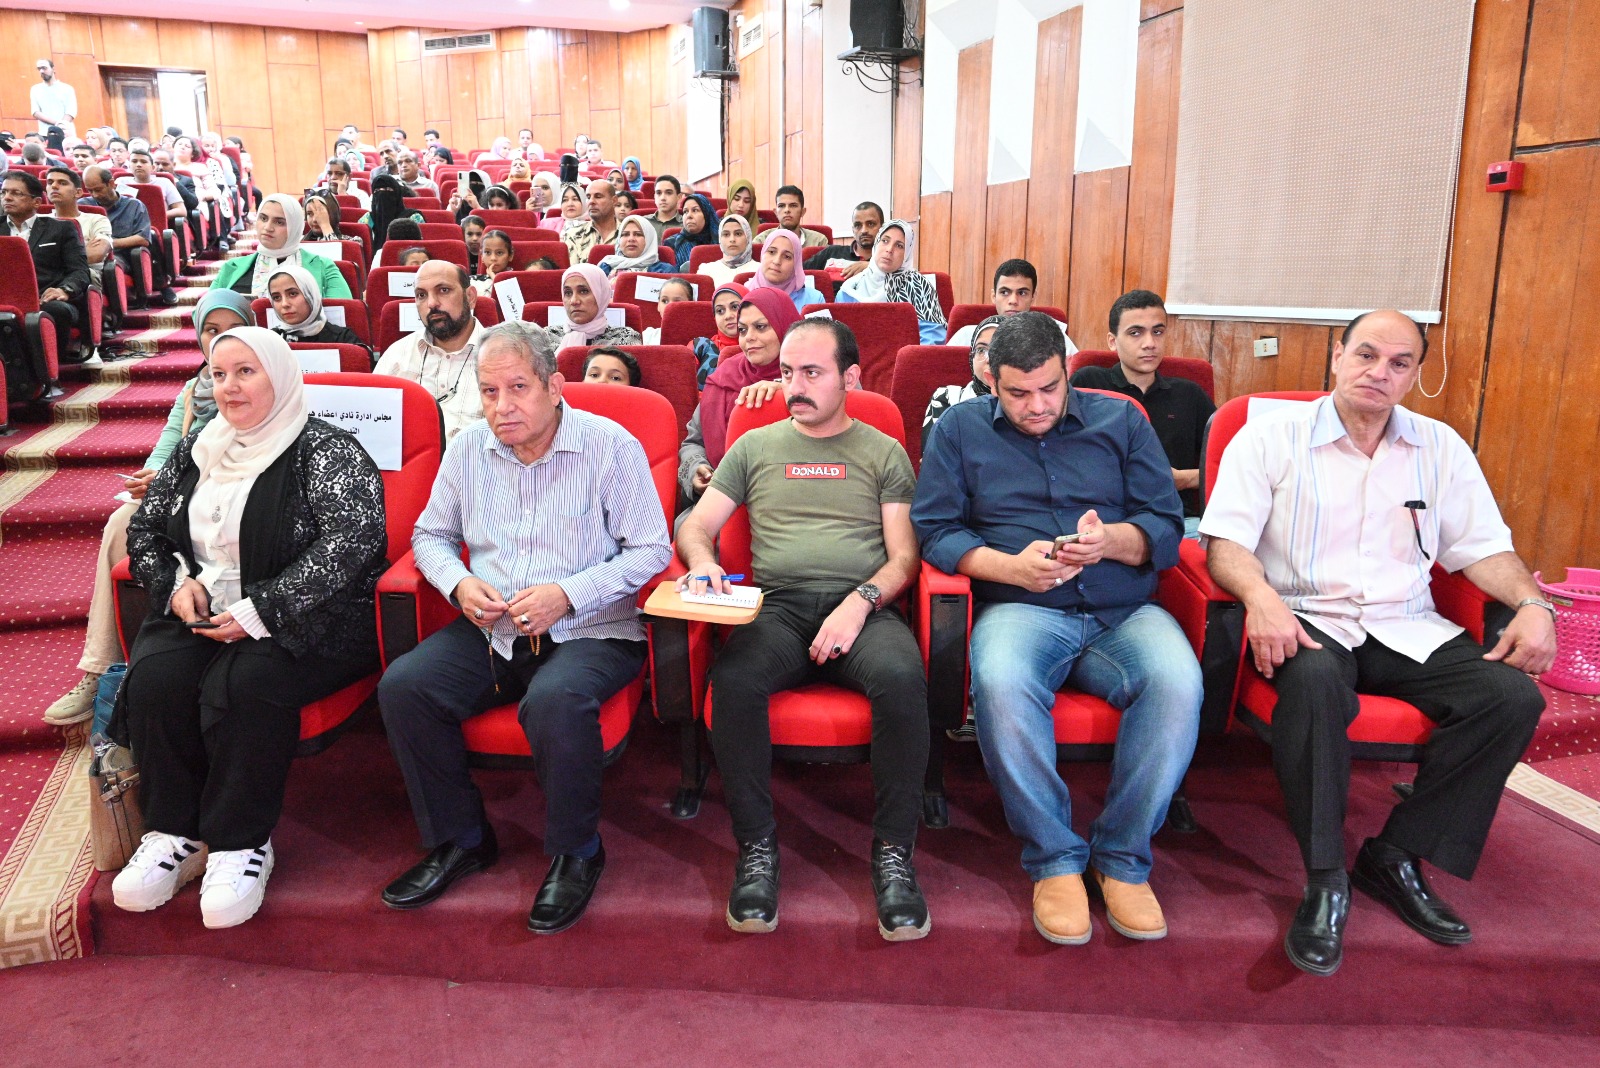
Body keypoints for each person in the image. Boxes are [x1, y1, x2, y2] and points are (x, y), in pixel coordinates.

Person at [1200, 309, 1552, 978]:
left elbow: (1483, 548)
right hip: (1305, 615)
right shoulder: (1270, 438)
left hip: (1404, 623)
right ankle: (1326, 877)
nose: (1378, 372)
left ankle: (1394, 855)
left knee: (1510, 698)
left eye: (1398, 363)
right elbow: (1226, 545)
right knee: (1314, 684)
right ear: (1337, 356)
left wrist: (1534, 604)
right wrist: (1261, 599)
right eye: (1365, 355)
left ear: (1414, 375)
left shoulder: (1439, 447)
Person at [911, 311, 1200, 948]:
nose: (1037, 406)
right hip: (1021, 606)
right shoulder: (960, 428)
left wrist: (1112, 541)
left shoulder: (1121, 420)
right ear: (991, 381)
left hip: (1122, 608)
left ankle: (1122, 857)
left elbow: (1165, 525)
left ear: (1067, 373)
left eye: (1049, 388)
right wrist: (1008, 567)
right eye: (1018, 394)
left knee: (1178, 681)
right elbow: (934, 530)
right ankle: (1055, 858)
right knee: (1001, 681)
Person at [378, 321, 671, 933]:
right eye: (489, 392)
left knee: (555, 700)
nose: (501, 407)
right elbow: (430, 536)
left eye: (517, 388)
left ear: (555, 387)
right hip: (496, 628)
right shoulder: (468, 449)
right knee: (406, 687)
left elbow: (651, 550)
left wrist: (568, 594)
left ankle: (578, 851)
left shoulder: (610, 447)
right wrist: (460, 584)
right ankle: (462, 839)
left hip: (595, 627)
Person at [109, 327, 385, 929]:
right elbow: (146, 528)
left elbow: (353, 545)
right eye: (219, 375)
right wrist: (174, 584)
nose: (229, 387)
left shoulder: (327, 450)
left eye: (245, 372)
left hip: (312, 615)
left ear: (279, 377)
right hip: (206, 607)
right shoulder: (198, 447)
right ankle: (173, 832)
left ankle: (240, 843)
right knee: (156, 676)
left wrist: (262, 609)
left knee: (245, 681)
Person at [677, 317, 931, 941]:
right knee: (734, 684)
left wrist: (860, 601)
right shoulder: (755, 447)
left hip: (862, 608)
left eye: (812, 373)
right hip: (779, 607)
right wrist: (704, 562)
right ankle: (757, 848)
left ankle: (894, 854)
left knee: (903, 680)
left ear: (850, 378)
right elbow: (696, 525)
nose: (795, 386)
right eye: (788, 372)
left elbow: (904, 558)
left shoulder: (883, 451)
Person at [43, 292, 251, 725]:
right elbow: (165, 450)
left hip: (237, 501)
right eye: (212, 331)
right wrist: (152, 477)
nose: (221, 339)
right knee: (123, 520)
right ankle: (104, 666)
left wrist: (176, 480)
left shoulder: (265, 382)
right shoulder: (193, 390)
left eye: (233, 329)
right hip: (185, 497)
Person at [1070, 291, 1214, 538]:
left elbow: (1231, 465)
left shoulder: (1189, 394)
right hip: (1103, 518)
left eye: (1157, 332)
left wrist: (1184, 479)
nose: (1150, 343)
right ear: (1112, 341)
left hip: (1178, 522)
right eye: (1135, 333)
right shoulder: (1089, 383)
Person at [677, 287, 799, 509]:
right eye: (743, 330)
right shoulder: (724, 377)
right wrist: (697, 469)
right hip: (725, 499)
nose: (749, 337)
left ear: (786, 328)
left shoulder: (821, 371)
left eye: (761, 327)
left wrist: (788, 387)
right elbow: (694, 442)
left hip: (797, 499)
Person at [374, 261, 490, 441]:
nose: (431, 303)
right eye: (421, 295)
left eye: (443, 290)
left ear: (470, 297)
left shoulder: (502, 357)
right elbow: (373, 425)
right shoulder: (398, 354)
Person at [1, 171, 89, 377]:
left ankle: (47, 375)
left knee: (57, 310)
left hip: (45, 297)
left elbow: (79, 270)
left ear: (36, 202)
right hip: (5, 298)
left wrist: (64, 290)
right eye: (4, 192)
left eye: (16, 193)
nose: (7, 197)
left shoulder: (61, 229)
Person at [210, 195, 350, 299]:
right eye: (263, 218)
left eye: (279, 222)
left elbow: (341, 312)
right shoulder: (231, 268)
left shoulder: (323, 266)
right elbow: (207, 311)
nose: (268, 227)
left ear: (295, 227)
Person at [835, 219, 948, 344]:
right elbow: (839, 340)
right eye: (885, 241)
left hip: (904, 355)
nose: (889, 249)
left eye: (899, 245)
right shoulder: (851, 289)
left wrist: (909, 356)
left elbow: (933, 337)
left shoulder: (918, 285)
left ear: (907, 254)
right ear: (876, 244)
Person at [83, 165, 180, 306]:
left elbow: (143, 239)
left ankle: (162, 284)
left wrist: (108, 243)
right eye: (90, 190)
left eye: (98, 190)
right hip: (89, 252)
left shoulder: (133, 205)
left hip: (122, 254)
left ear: (111, 183)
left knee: (151, 236)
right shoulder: (84, 206)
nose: (94, 195)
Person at [948, 259, 1074, 353]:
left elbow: (1075, 373)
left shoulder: (1053, 337)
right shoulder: (966, 336)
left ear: (1033, 297)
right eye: (1004, 292)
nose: (1013, 301)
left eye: (1022, 293)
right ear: (994, 296)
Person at [921, 314, 999, 454]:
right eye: (981, 350)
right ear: (972, 357)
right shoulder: (947, 398)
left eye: (998, 350)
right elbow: (933, 461)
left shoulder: (1029, 402)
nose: (989, 359)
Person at [266, 263, 368, 358]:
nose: (284, 304)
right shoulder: (268, 341)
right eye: (276, 297)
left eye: (293, 294)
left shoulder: (343, 339)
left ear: (311, 295)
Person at [44, 166, 112, 301]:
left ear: (78, 192)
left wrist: (46, 257)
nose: (54, 186)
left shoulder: (97, 220)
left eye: (62, 183)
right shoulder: (39, 220)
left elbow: (96, 254)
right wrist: (79, 251)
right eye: (50, 182)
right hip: (46, 276)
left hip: (84, 277)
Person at [548, 264, 642, 350]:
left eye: (583, 291)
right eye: (568, 293)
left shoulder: (625, 339)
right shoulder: (547, 337)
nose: (574, 301)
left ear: (601, 295)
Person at [745, 228, 825, 312]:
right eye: (772, 252)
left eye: (787, 256)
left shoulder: (813, 300)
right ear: (762, 254)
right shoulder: (742, 295)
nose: (777, 261)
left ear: (796, 264)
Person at [805, 201, 885, 280]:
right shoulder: (831, 253)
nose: (864, 230)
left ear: (883, 227)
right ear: (853, 229)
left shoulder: (888, 260)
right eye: (858, 225)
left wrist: (873, 266)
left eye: (870, 224)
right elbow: (799, 273)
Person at [690, 281, 747, 388]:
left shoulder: (762, 347)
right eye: (720, 311)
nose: (728, 316)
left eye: (735, 307)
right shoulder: (700, 347)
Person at [562, 179, 622, 266]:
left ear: (614, 200)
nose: (591, 201)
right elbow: (572, 272)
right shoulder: (573, 234)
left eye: (598, 196)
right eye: (588, 197)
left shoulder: (629, 234)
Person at [598, 215, 673, 276]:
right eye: (625, 234)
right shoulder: (606, 266)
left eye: (638, 234)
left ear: (649, 240)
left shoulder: (664, 271)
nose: (631, 239)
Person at [665, 193, 718, 271]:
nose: (689, 215)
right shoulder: (671, 244)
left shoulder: (720, 241)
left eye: (695, 210)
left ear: (706, 214)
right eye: (685, 211)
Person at [702, 214, 755, 286]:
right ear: (720, 238)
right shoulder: (706, 271)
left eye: (738, 234)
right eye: (726, 234)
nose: (732, 239)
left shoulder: (760, 270)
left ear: (748, 237)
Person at [641, 276, 695, 345]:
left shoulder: (699, 341)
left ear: (691, 305)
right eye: (665, 301)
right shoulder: (647, 337)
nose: (669, 307)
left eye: (677, 302)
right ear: (658, 305)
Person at [30, 60, 77, 139]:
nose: (41, 71)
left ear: (53, 69)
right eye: (39, 69)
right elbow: (35, 112)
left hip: (65, 133)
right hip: (45, 133)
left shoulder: (67, 88)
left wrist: (61, 126)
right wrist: (57, 124)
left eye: (44, 68)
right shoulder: (35, 89)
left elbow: (71, 112)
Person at [470, 229, 515, 295]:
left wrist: (495, 279)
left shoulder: (516, 279)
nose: (493, 258)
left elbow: (512, 300)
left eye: (499, 253)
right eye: (487, 252)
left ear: (510, 255)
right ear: (482, 256)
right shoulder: (472, 281)